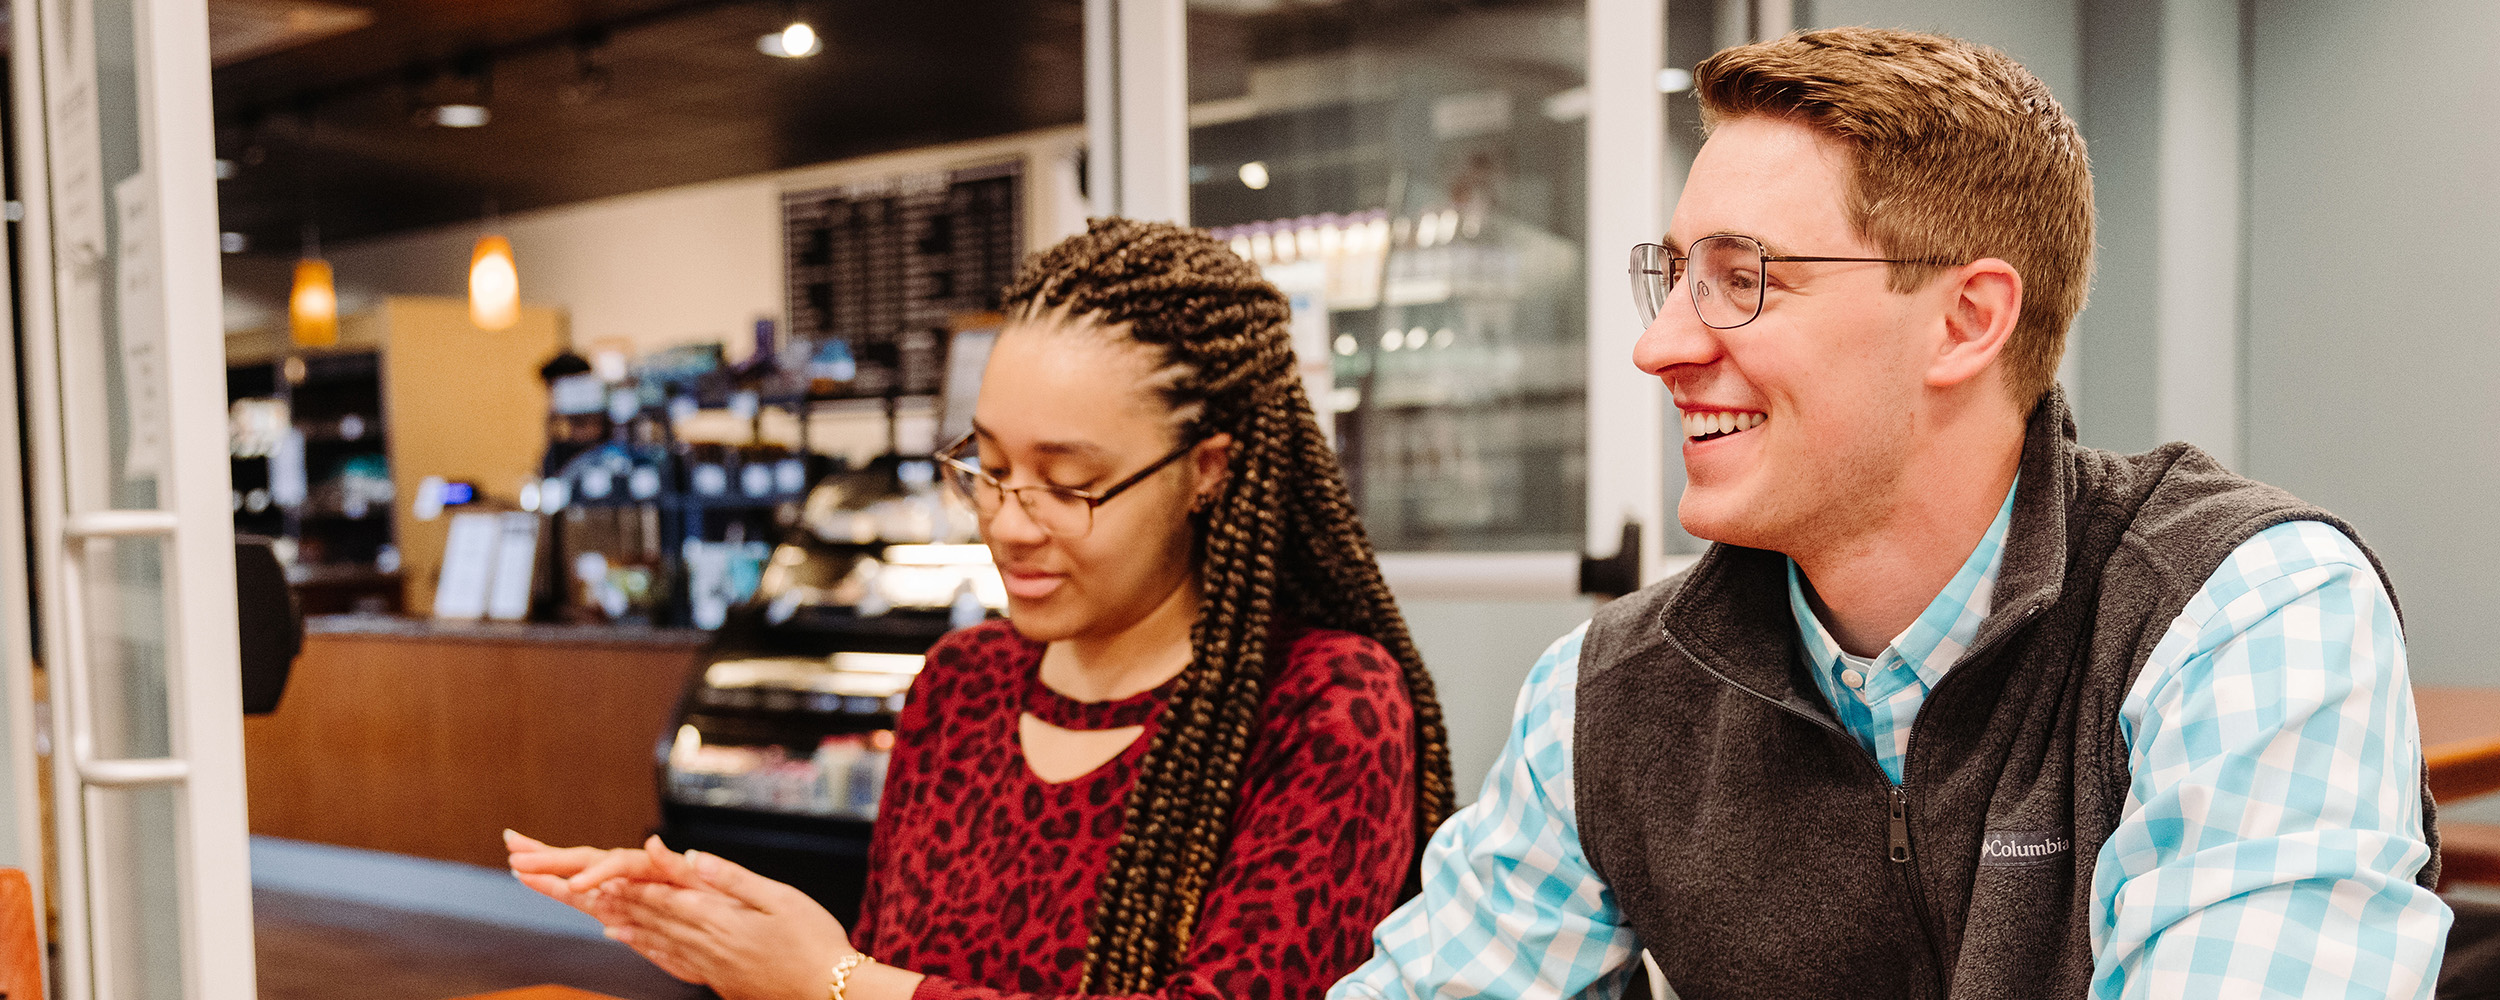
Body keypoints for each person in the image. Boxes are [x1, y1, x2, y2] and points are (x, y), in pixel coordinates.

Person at [1332, 27, 2450, 1000]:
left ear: (1966, 320)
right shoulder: (1608, 700)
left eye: (1742, 277)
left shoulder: (2240, 613)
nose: (1659, 343)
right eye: (1672, 276)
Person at [508, 218, 1457, 1000]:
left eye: (1069, 483)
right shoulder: (965, 681)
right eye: (989, 469)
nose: (1009, 523)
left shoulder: (1326, 705)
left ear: (1206, 469)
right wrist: (751, 941)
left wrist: (832, 978)